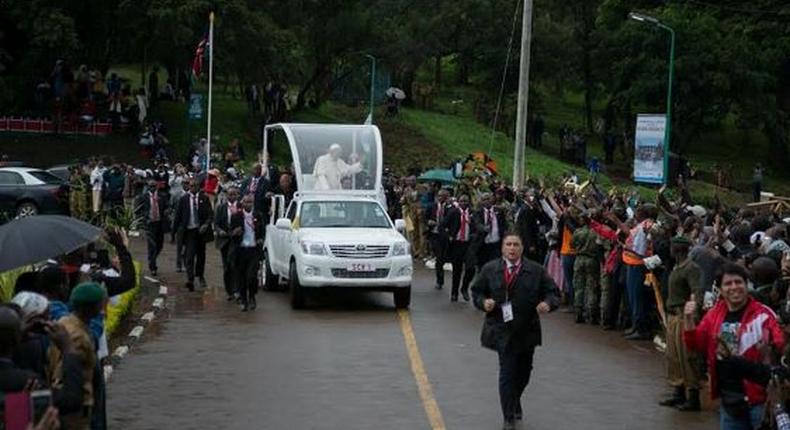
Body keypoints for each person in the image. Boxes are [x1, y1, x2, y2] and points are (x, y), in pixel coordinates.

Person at [471, 233, 558, 429]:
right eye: (508, 244)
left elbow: (553, 292)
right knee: (507, 372)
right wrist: (484, 302)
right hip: (501, 329)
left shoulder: (535, 270)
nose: (512, 248)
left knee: (524, 373)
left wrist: (547, 304)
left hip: (527, 328)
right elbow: (477, 291)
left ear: (522, 248)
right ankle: (508, 416)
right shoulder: (490, 269)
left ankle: (514, 398)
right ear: (502, 248)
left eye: (516, 245)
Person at [683, 263, 785, 429]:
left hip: (760, 400)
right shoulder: (714, 314)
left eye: (738, 282)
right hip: (729, 402)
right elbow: (695, 345)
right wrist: (688, 318)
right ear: (721, 289)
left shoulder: (763, 314)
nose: (734, 287)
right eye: (728, 284)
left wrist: (769, 349)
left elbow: (780, 346)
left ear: (746, 285)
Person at [49, 282, 107, 429]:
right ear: (92, 308)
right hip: (79, 407)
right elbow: (65, 373)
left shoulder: (65, 322)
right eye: (101, 304)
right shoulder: (77, 337)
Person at [658, 235, 704, 412]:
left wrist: (693, 313)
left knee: (688, 357)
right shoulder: (677, 266)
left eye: (672, 246)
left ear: (677, 248)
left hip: (684, 318)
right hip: (673, 317)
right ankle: (678, 391)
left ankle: (693, 396)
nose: (669, 249)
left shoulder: (691, 268)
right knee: (673, 356)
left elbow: (696, 291)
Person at [173, 178, 214, 291]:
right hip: (189, 231)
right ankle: (190, 278)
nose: (193, 188)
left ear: (199, 187)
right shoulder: (184, 199)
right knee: (189, 255)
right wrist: (174, 233)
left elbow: (210, 214)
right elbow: (178, 216)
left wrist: (206, 224)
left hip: (201, 231)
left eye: (195, 185)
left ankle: (200, 275)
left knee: (201, 256)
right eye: (191, 186)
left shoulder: (204, 199)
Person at [233, 194, 265, 312]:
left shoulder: (258, 216)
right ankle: (244, 301)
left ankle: (252, 296)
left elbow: (262, 231)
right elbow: (232, 233)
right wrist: (235, 233)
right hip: (241, 250)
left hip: (253, 250)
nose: (248, 204)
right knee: (241, 277)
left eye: (250, 202)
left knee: (251, 276)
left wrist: (260, 239)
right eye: (246, 202)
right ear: (242, 203)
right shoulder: (237, 216)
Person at [571, 211, 601, 324]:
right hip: (592, 260)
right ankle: (592, 313)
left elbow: (572, 244)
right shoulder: (596, 232)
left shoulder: (578, 232)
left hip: (579, 259)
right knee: (591, 287)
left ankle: (578, 312)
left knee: (578, 287)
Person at [444, 194, 476, 302]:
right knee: (456, 271)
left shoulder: (472, 213)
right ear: (458, 202)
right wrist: (449, 236)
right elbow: (443, 225)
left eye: (466, 201)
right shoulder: (453, 213)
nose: (464, 203)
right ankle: (454, 293)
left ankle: (464, 288)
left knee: (471, 268)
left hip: (468, 244)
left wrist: (474, 234)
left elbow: (476, 226)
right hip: (456, 244)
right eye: (462, 201)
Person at [135, 179, 169, 277]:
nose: (152, 188)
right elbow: (138, 210)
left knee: (159, 245)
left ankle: (152, 259)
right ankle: (152, 267)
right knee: (152, 246)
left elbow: (167, 206)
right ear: (148, 187)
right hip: (149, 224)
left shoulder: (162, 196)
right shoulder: (143, 197)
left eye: (154, 186)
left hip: (159, 224)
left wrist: (167, 211)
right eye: (151, 186)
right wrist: (143, 219)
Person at [214, 186, 242, 301]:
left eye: (234, 194)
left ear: (237, 195)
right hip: (224, 241)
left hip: (237, 241)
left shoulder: (241, 207)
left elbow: (247, 221)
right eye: (230, 194)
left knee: (235, 265)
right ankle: (229, 291)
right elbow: (216, 223)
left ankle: (237, 290)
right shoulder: (221, 208)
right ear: (226, 196)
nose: (232, 196)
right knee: (227, 267)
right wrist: (220, 231)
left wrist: (240, 229)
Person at [425, 188, 452, 290]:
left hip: (445, 235)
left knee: (444, 257)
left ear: (446, 197)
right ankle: (439, 281)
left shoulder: (450, 208)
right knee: (439, 257)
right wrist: (428, 222)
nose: (440, 198)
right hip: (434, 234)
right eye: (439, 196)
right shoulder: (432, 206)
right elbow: (425, 217)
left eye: (442, 196)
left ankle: (441, 265)